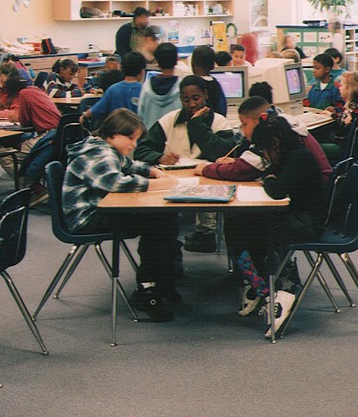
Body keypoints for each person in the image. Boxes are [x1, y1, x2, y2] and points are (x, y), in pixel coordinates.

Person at [219, 111, 329, 337]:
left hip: (306, 224)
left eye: (266, 150)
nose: (266, 156)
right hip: (296, 217)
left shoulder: (299, 157)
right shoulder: (291, 155)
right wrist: (270, 176)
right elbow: (271, 176)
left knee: (242, 228)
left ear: (276, 143)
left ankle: (266, 290)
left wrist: (270, 178)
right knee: (238, 224)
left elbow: (276, 188)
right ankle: (262, 286)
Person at [62, 109, 180, 319]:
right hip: (86, 218)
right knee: (158, 221)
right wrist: (160, 184)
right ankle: (148, 289)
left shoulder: (107, 148)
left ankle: (160, 281)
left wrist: (153, 171)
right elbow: (116, 183)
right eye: (131, 138)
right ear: (112, 134)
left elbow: (131, 165)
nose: (134, 144)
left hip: (99, 209)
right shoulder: (99, 153)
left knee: (164, 217)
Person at [198, 96, 331, 183]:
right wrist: (236, 161)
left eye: (245, 124)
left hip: (311, 197)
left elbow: (242, 171)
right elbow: (253, 163)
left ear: (261, 118)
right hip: (316, 186)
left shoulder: (273, 133)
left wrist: (205, 169)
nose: (243, 130)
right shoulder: (280, 120)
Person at [0, 62, 62, 183]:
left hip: (47, 136)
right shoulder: (36, 90)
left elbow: (22, 119)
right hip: (55, 133)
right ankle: (32, 184)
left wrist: (0, 114)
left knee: (7, 157)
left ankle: (30, 185)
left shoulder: (23, 94)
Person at [135, 76, 238, 166]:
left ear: (205, 95)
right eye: (186, 100)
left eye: (196, 98)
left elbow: (221, 154)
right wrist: (159, 157)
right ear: (181, 100)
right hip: (174, 179)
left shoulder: (220, 122)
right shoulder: (168, 120)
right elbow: (141, 151)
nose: (192, 104)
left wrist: (196, 124)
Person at [320, 70, 358, 162]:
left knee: (311, 146)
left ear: (349, 89)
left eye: (342, 85)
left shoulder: (352, 106)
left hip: (344, 147)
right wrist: (335, 113)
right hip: (356, 146)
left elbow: (345, 122)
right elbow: (348, 118)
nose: (339, 88)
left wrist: (332, 115)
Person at [87, 52, 147, 125]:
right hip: (137, 133)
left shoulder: (112, 89)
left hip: (115, 132)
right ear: (142, 71)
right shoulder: (145, 91)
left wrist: (83, 116)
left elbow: (96, 110)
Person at [138, 42, 182, 127]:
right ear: (177, 60)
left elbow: (140, 115)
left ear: (157, 61)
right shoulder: (182, 87)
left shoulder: (147, 86)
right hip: (174, 138)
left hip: (150, 137)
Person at [189, 45, 227, 117]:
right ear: (213, 65)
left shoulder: (190, 85)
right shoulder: (216, 84)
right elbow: (222, 108)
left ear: (192, 63)